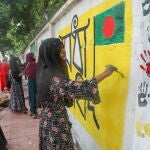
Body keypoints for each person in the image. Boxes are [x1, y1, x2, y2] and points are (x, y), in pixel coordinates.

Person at [36, 38, 117, 150]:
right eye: (59, 49)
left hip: (49, 122)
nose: (64, 51)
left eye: (63, 47)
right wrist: (106, 73)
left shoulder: (45, 71)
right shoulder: (53, 77)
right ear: (51, 53)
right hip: (55, 126)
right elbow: (78, 88)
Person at [26, 52, 38, 119]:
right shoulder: (34, 64)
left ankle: (31, 110)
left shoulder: (28, 64)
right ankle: (34, 113)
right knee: (34, 96)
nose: (35, 56)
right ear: (31, 57)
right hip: (34, 81)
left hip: (30, 81)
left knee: (31, 95)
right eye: (34, 55)